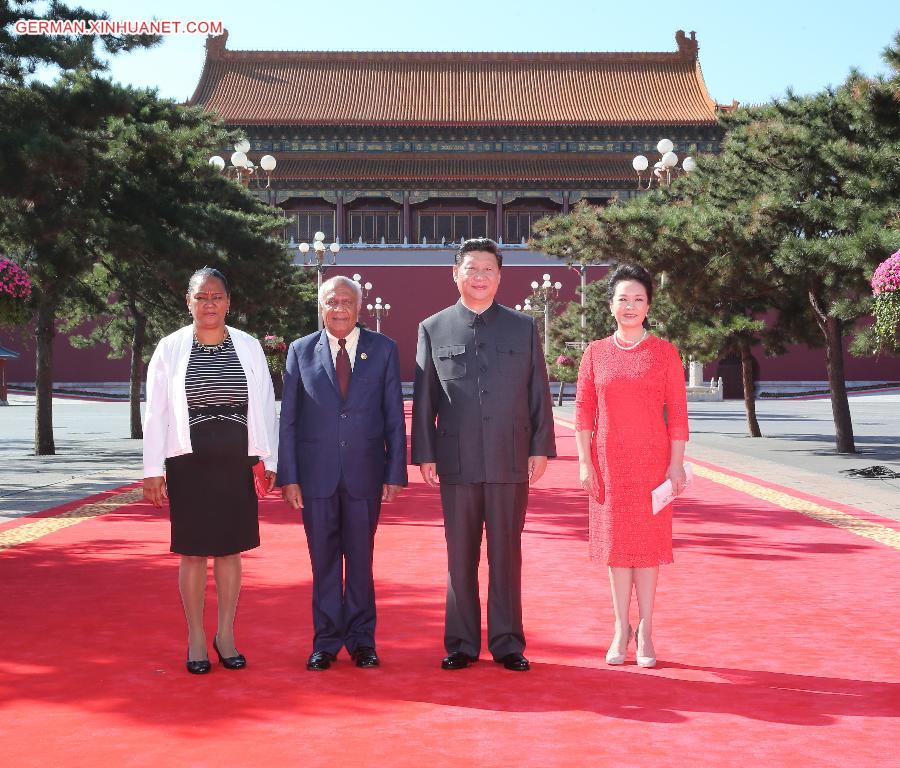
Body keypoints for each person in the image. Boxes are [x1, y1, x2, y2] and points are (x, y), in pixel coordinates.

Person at [412, 237, 556, 672]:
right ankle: (460, 642)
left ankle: (508, 642)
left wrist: (540, 448)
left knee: (506, 554)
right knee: (460, 555)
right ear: (455, 274)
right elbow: (424, 399)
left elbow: (538, 394)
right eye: (471, 269)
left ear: (500, 276)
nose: (479, 278)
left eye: (488, 270)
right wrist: (425, 453)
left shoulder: (523, 327)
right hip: (457, 460)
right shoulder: (433, 328)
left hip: (510, 458)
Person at [143, 267, 278, 675]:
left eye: (216, 296)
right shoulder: (170, 348)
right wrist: (153, 468)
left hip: (236, 461)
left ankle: (225, 634)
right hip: (188, 461)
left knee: (230, 550)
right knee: (193, 551)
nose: (209, 304)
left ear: (228, 302)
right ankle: (196, 638)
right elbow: (157, 412)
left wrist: (268, 459)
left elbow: (265, 403)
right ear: (189, 302)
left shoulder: (249, 346)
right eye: (201, 297)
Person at [278, 275, 406, 671]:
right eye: (332, 302)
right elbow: (290, 421)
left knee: (361, 560)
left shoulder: (383, 350)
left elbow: (393, 417)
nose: (339, 309)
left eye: (347, 302)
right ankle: (326, 641)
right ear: (321, 307)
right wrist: (290, 476)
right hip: (316, 477)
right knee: (325, 562)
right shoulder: (300, 351)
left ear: (359, 306)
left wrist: (395, 472)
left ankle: (363, 641)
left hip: (365, 474)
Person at [573, 263, 689, 669]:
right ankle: (621, 627)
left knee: (648, 550)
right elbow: (584, 411)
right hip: (609, 463)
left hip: (653, 464)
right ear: (610, 305)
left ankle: (647, 628)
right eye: (623, 299)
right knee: (617, 549)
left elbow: (677, 413)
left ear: (649, 305)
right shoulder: (595, 353)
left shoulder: (664, 353)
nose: (630, 306)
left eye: (638, 299)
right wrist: (585, 463)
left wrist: (677, 466)